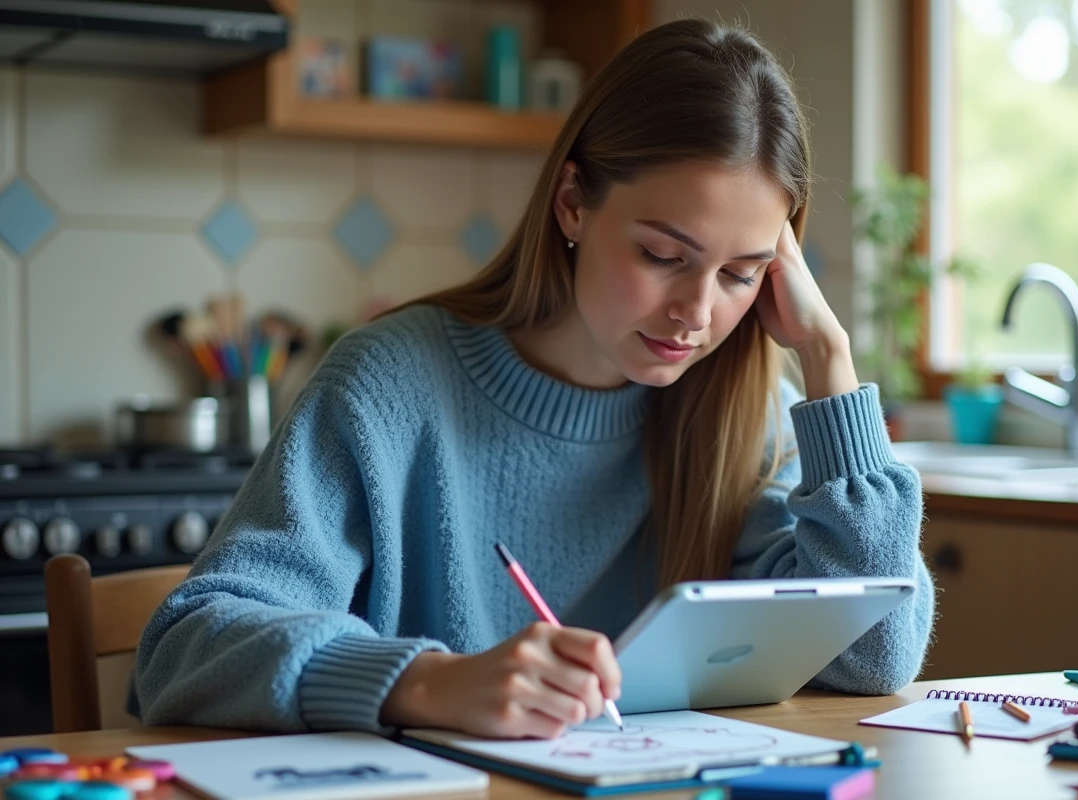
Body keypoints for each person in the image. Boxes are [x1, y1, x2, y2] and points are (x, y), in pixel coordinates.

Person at [132, 18, 934, 740]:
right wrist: (425, 682)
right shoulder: (389, 384)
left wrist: (829, 363)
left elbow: (873, 660)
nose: (695, 312)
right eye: (663, 255)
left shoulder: (745, 409)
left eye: (742, 273)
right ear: (573, 203)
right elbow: (182, 648)